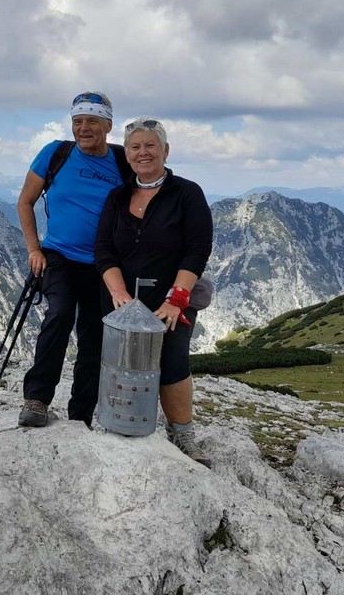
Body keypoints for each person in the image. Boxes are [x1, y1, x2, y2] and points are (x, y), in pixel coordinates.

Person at [94, 118, 213, 466]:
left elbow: (197, 250)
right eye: (135, 147)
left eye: (150, 145)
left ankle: (182, 433)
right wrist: (118, 294)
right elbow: (103, 249)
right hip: (121, 299)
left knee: (173, 360)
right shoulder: (117, 197)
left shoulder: (187, 193)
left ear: (165, 151)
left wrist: (177, 299)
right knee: (117, 361)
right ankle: (119, 425)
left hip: (170, 299)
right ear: (127, 153)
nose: (142, 152)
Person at [17, 91, 132, 427]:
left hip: (104, 263)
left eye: (92, 121)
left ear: (108, 125)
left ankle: (80, 415)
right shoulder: (55, 153)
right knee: (59, 314)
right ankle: (37, 399)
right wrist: (34, 249)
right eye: (77, 121)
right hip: (59, 256)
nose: (83, 128)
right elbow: (25, 202)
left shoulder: (122, 161)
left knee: (95, 338)